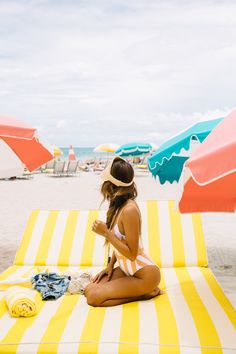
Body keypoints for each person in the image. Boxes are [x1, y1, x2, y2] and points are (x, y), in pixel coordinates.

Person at [84, 156, 164, 307]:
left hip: (145, 275)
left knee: (93, 297)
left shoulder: (129, 210)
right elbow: (122, 242)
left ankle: (146, 293)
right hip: (127, 270)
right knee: (90, 286)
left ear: (111, 184)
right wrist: (110, 266)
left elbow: (132, 254)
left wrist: (107, 233)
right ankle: (141, 292)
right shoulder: (119, 206)